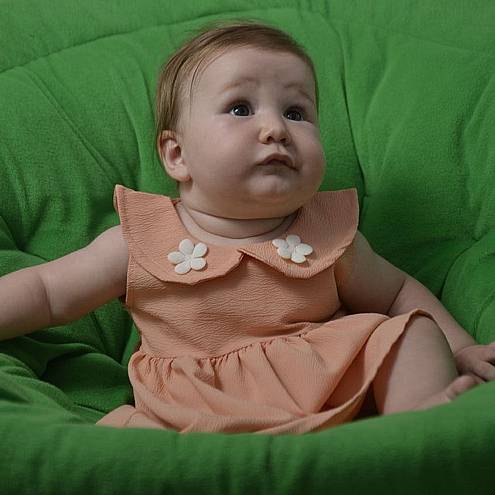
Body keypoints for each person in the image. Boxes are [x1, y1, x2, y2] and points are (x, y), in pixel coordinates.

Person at [1, 21, 494, 434]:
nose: (276, 129)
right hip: (194, 410)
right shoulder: (143, 238)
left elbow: (398, 293)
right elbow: (48, 291)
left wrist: (462, 348)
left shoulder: (328, 234)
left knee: (413, 332)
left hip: (325, 386)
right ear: (177, 155)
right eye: (240, 109)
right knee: (128, 442)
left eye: (296, 112)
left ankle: (417, 430)